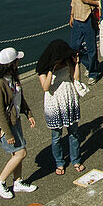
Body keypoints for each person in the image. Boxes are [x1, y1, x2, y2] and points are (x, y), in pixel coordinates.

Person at [0, 47, 37, 199]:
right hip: (6, 125)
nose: (19, 62)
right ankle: (0, 181)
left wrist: (28, 113)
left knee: (17, 153)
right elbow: (0, 111)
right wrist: (7, 134)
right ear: (12, 63)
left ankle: (18, 181)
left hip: (15, 120)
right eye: (17, 60)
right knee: (21, 153)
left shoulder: (13, 77)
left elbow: (20, 98)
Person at [36, 40, 84, 175]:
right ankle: (59, 162)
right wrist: (52, 70)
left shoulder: (68, 61)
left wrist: (76, 63)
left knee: (74, 132)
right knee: (56, 136)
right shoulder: (43, 69)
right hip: (54, 102)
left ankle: (76, 159)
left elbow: (76, 78)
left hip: (68, 97)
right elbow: (45, 87)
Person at [69, 0, 101, 82]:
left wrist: (87, 0)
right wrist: (71, 15)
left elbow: (100, 2)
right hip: (77, 18)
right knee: (74, 47)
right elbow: (73, 0)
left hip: (88, 19)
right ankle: (90, 63)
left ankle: (93, 72)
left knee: (91, 48)